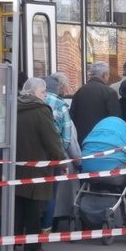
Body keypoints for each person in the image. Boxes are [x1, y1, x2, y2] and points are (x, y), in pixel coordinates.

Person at [15, 77, 66, 251]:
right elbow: (51, 139)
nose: (45, 96)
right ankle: (33, 244)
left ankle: (14, 240)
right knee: (34, 206)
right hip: (38, 165)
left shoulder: (15, 107)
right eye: (43, 92)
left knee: (18, 203)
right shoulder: (41, 110)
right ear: (34, 93)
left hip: (16, 163)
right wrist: (60, 159)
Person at [43, 73, 80, 232]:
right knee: (52, 194)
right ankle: (47, 227)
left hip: (33, 156)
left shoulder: (32, 101)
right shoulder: (60, 105)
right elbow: (67, 139)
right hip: (56, 157)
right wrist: (74, 160)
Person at [69, 62, 122, 144]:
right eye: (108, 75)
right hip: (103, 140)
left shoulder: (80, 91)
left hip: (82, 140)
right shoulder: (110, 92)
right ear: (104, 75)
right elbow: (115, 119)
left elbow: (72, 116)